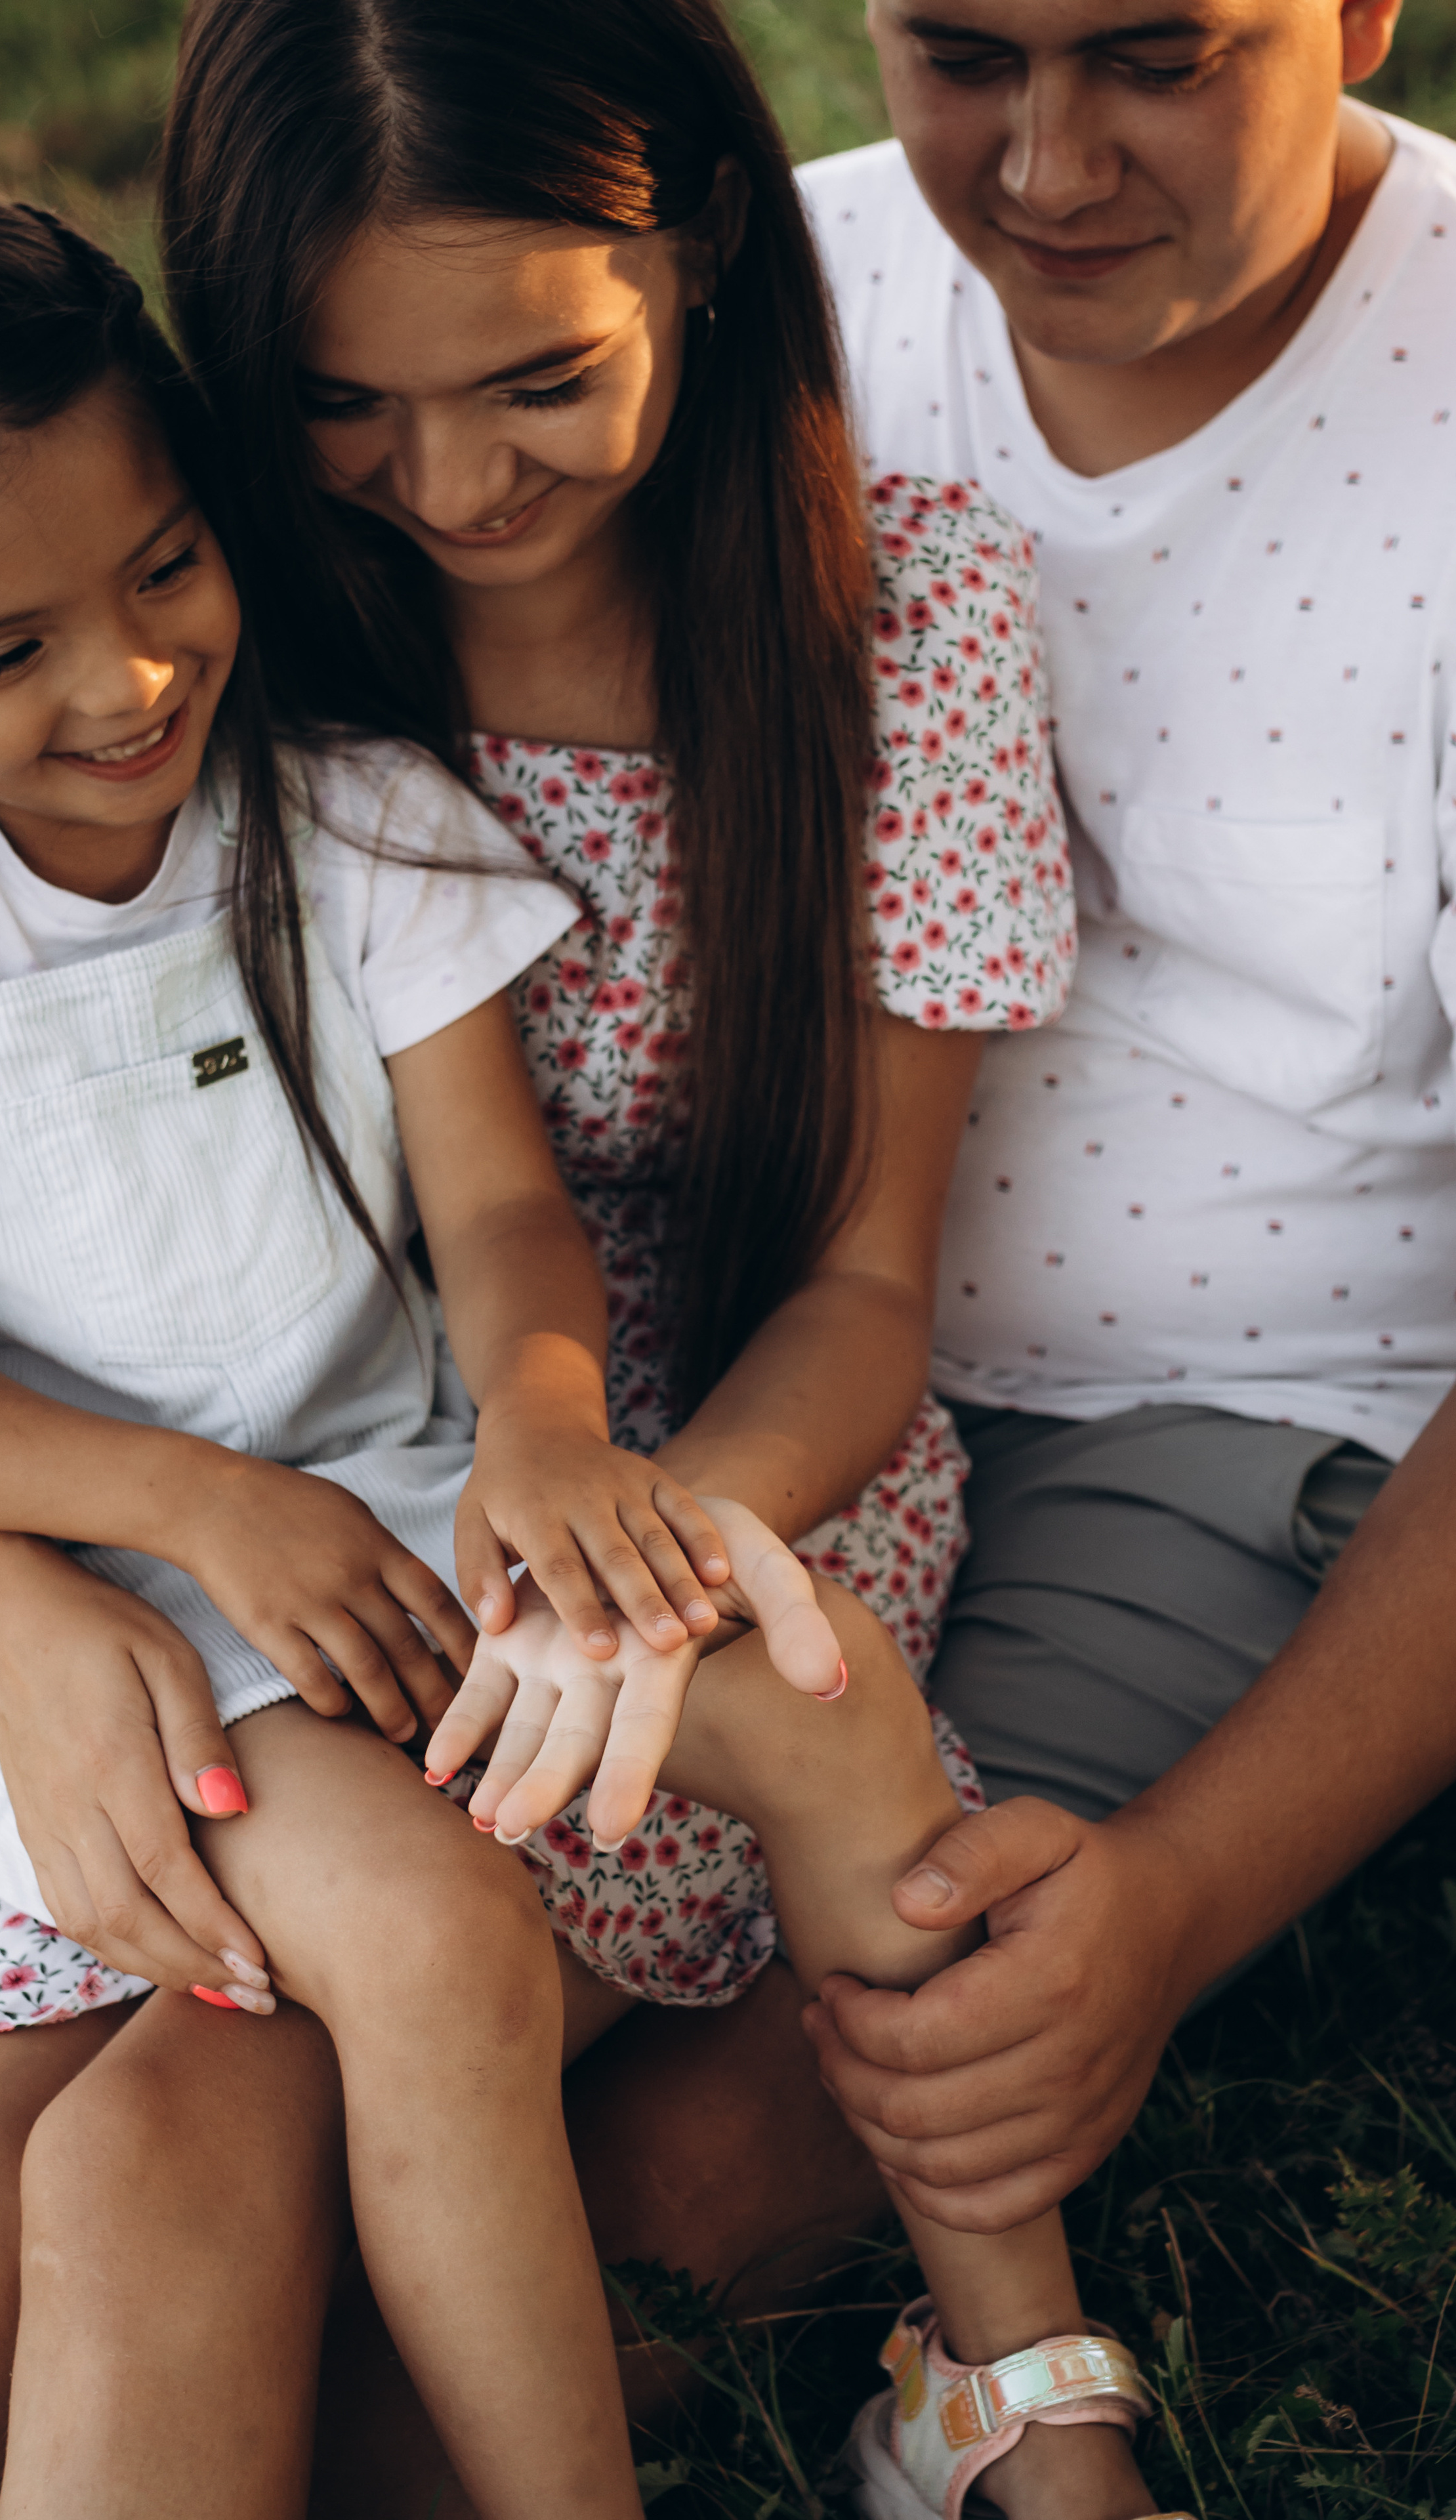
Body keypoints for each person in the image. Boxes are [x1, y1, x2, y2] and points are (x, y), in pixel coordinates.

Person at [0, 114, 1135, 2520]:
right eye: (346, 399)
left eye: (525, 376)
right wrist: (21, 1595)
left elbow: (693, 1259)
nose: (445, 480)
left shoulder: (379, 778)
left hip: (541, 1503)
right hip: (134, 1585)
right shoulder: (223, 639)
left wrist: (566, 1454)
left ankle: (996, 2389)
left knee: (168, 2165)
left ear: (705, 258)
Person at [785, 0, 1456, 2490]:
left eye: (1156, 56)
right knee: (221, 2042)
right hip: (712, 1374)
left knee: (710, 2165)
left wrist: (1163, 1907)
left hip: (1237, 1427)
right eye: (960, 52)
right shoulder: (753, 309)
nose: (1045, 161)